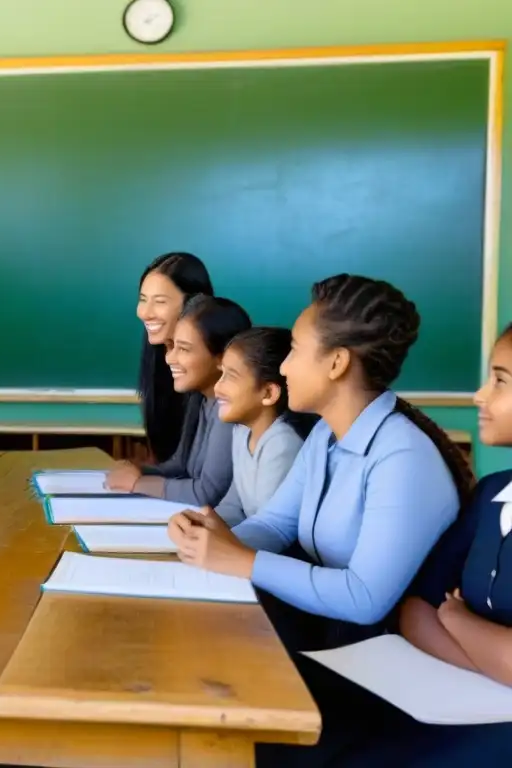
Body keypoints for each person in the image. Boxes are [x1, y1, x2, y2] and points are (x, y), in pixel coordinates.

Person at [167, 274, 474, 766]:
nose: (283, 365)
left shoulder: (401, 455)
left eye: (293, 349)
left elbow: (364, 598)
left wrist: (239, 560)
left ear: (337, 362)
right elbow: (277, 525)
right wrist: (210, 542)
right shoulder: (325, 438)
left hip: (385, 672)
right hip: (332, 648)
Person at [340, 324, 512, 766]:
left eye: (500, 380)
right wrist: (492, 663)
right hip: (454, 697)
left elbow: (440, 611)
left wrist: (457, 619)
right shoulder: (492, 492)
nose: (479, 395)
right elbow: (415, 609)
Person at [107, 295, 250, 505]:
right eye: (171, 347)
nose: (169, 358)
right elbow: (181, 465)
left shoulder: (230, 411)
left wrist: (137, 484)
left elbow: (207, 494)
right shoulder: (200, 399)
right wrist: (139, 470)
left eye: (183, 349)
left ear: (222, 359)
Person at [213, 327, 316, 526]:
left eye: (231, 376)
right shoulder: (241, 431)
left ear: (268, 393)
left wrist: (218, 544)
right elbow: (233, 504)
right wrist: (206, 524)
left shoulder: (283, 443)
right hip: (247, 544)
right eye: (221, 374)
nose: (218, 386)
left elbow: (271, 527)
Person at [136, 252, 214, 464]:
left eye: (160, 302)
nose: (145, 313)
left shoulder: (214, 371)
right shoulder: (158, 357)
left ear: (194, 302)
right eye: (143, 300)